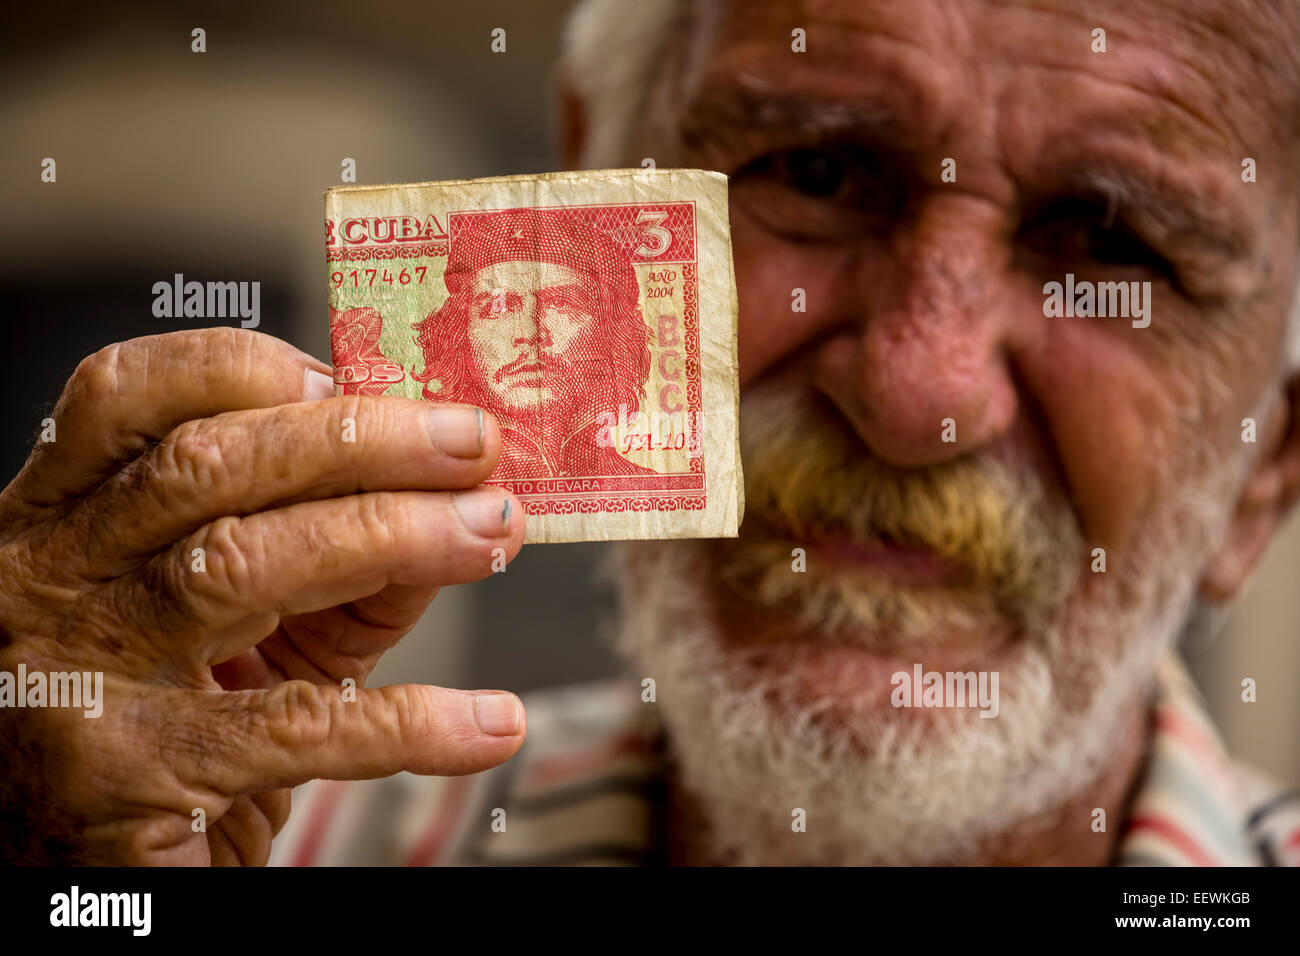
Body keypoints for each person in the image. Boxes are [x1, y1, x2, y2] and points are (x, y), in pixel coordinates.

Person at [3, 0, 1300, 866]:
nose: (916, 397)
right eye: (821, 173)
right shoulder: (209, 846)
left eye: (1111, 244)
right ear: (581, 195)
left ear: (1266, 476)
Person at [413, 208, 656, 479]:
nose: (530, 333)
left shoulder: (656, 494)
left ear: (611, 335)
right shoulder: (421, 488)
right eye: (498, 307)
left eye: (561, 304)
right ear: (461, 338)